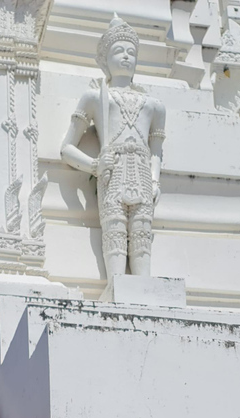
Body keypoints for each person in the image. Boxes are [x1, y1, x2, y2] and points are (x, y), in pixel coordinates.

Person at [60, 14, 166, 286]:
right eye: (118, 51)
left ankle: (144, 287)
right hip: (111, 171)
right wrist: (94, 165)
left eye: (132, 52)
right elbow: (66, 148)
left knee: (142, 234)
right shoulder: (95, 97)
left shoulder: (154, 105)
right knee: (115, 232)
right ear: (105, 59)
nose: (126, 57)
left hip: (142, 171)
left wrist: (155, 181)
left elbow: (155, 150)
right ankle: (116, 285)